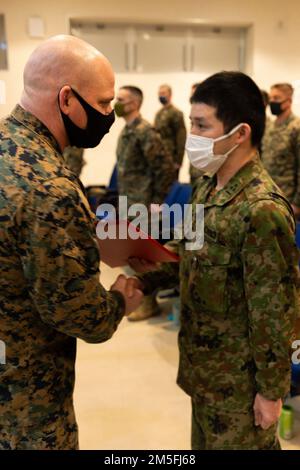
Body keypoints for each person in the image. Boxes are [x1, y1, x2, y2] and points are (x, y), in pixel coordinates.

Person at [129, 71, 300, 449]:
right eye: (191, 123)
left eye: (202, 125)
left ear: (239, 133)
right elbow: (185, 252)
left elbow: (274, 312)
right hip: (203, 371)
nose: (192, 135)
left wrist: (271, 393)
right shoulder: (207, 186)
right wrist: (143, 278)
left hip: (239, 388)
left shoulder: (262, 210)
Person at [0, 35, 143, 450]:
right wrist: (120, 299)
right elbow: (81, 314)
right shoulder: (51, 186)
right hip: (27, 399)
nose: (109, 115)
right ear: (67, 99)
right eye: (102, 104)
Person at [114, 86, 175, 321]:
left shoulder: (144, 131)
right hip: (128, 202)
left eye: (121, 99)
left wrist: (157, 201)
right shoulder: (127, 131)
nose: (116, 103)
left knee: (145, 258)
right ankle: (141, 299)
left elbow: (165, 167)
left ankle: (149, 304)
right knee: (135, 256)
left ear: (135, 103)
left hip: (145, 205)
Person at [261, 83, 300, 218]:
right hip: (267, 197)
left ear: (288, 101)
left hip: (287, 201)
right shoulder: (269, 126)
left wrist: (297, 204)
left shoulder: (296, 127)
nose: (272, 102)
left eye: (276, 98)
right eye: (271, 98)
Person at [154, 84, 186, 177]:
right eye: (159, 93)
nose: (160, 96)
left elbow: (181, 137)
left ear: (170, 95)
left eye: (163, 93)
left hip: (171, 157)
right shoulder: (158, 113)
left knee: (171, 187)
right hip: (159, 157)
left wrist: (178, 161)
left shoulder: (176, 113)